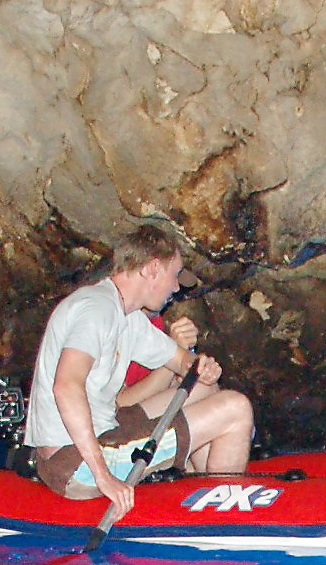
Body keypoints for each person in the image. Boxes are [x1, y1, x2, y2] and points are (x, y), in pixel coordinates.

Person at [25, 224, 255, 530]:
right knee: (236, 408)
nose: (176, 288)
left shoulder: (124, 315)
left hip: (103, 432)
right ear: (152, 269)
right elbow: (66, 387)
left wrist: (202, 366)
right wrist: (104, 477)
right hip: (75, 464)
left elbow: (181, 361)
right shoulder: (96, 309)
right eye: (174, 276)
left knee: (204, 388)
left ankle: (203, 485)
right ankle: (221, 518)